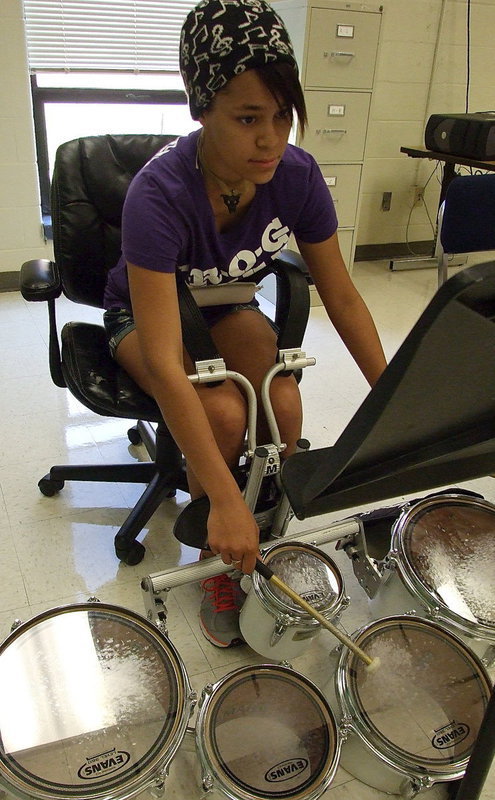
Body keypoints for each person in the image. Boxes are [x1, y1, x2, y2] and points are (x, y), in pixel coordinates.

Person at [103, 0, 387, 648]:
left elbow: (341, 296)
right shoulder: (158, 194)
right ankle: (217, 559)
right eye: (247, 118)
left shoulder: (296, 176)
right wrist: (225, 503)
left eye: (282, 115)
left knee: (282, 406)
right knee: (224, 415)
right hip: (144, 315)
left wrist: (391, 404)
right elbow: (171, 364)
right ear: (202, 111)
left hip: (226, 304)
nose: (270, 138)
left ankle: (263, 536)